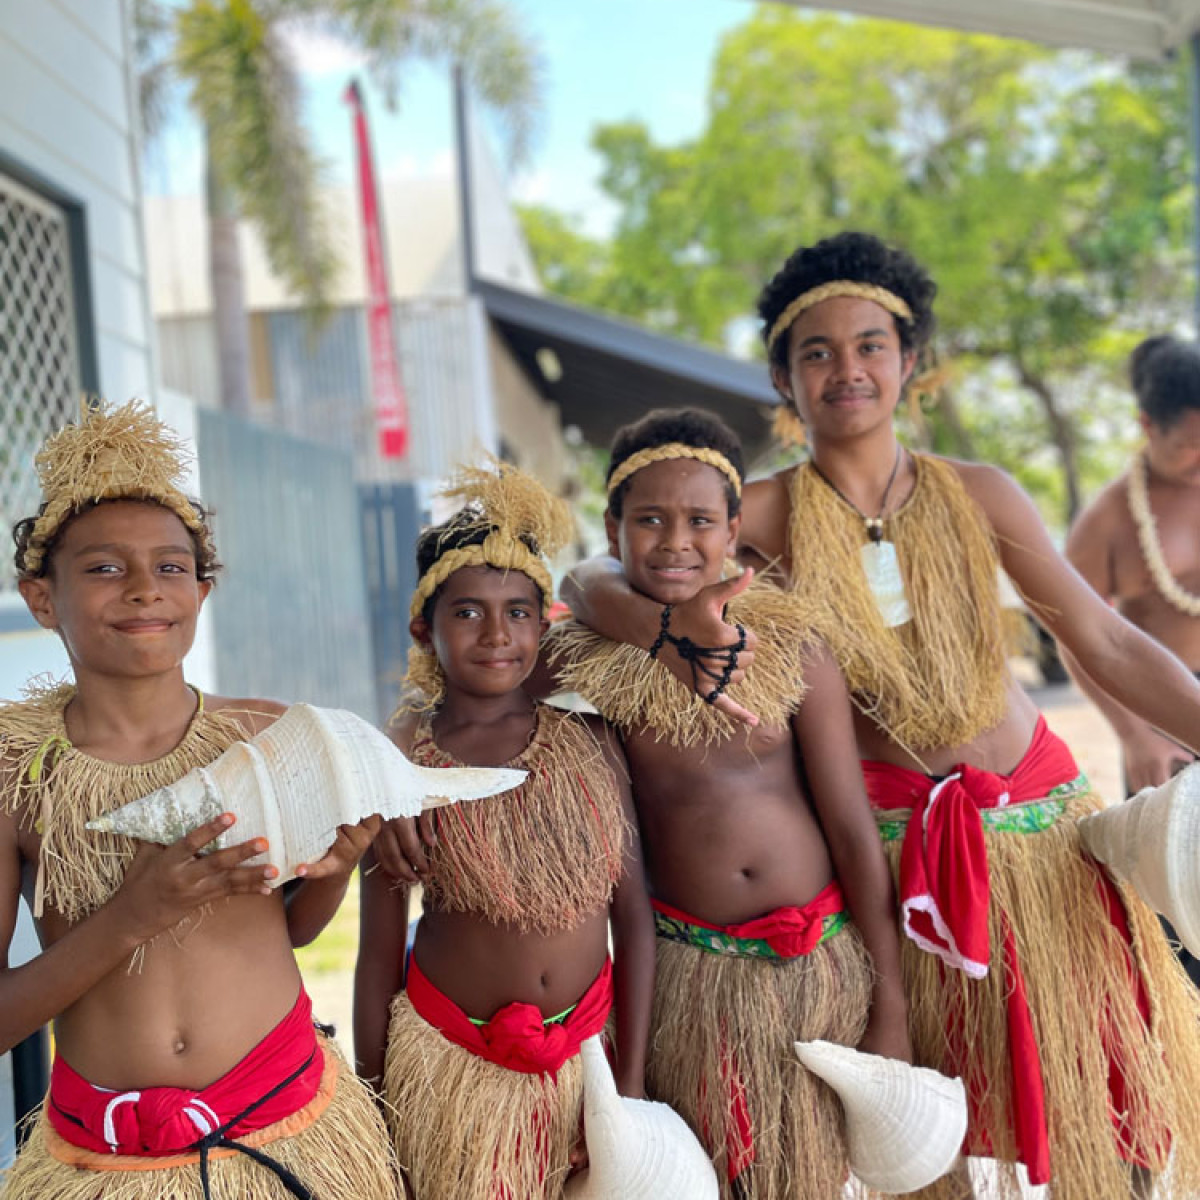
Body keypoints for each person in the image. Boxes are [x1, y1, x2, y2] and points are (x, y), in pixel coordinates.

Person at [563, 233, 1200, 1199]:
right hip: (899, 864)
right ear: (784, 379)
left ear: (912, 363)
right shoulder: (759, 515)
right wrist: (665, 629)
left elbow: (1104, 642)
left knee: (1092, 1117)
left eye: (870, 344)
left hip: (1040, 839)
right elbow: (591, 570)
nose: (846, 369)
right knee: (927, 1136)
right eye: (815, 352)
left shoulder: (979, 493)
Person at [0, 401, 397, 1200]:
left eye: (171, 566)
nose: (145, 589)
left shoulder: (266, 735)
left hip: (287, 1126)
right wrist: (134, 914)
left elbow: (283, 932)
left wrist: (333, 870)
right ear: (41, 598)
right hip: (102, 1157)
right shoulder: (16, 772)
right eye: (105, 568)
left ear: (203, 590)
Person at [546, 408, 909, 1199]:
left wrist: (892, 1005)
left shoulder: (794, 647)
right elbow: (569, 591)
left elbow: (852, 829)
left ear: (735, 529)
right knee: (718, 1172)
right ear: (612, 529)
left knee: (816, 1174)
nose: (675, 540)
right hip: (691, 977)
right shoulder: (595, 665)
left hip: (818, 964)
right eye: (649, 519)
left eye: (700, 520)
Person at [353, 459, 653, 1200]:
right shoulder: (398, 764)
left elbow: (635, 922)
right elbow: (377, 958)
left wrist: (630, 1082)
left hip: (589, 1056)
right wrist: (377, 1103)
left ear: (543, 621)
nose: (496, 634)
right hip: (452, 1059)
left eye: (518, 610)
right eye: (467, 612)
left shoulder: (591, 741)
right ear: (425, 626)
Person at [1065, 335, 1200, 986]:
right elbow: (1078, 634)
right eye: (1190, 444)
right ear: (1147, 426)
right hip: (1160, 727)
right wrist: (1133, 734)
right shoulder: (1112, 519)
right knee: (1177, 915)